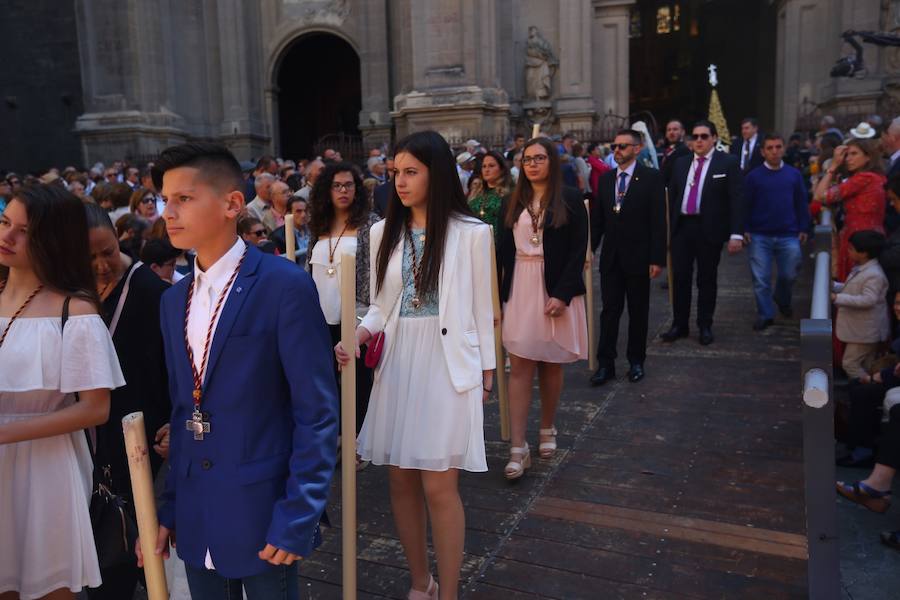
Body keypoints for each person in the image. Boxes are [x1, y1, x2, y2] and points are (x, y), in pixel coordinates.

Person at [138, 142, 338, 600]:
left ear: (231, 204)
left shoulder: (283, 285)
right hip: (195, 508)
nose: (169, 212)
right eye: (166, 200)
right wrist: (170, 508)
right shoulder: (173, 301)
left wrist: (299, 514)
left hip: (262, 506)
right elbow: (184, 408)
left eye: (183, 199)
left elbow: (317, 412)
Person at [335, 131, 495, 600]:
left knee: (441, 484)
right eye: (394, 173)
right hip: (400, 361)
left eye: (410, 172)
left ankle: (449, 591)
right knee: (400, 479)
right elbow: (383, 307)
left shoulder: (473, 234)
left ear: (436, 173)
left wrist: (487, 367)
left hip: (448, 364)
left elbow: (482, 308)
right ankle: (419, 580)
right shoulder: (384, 233)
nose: (399, 183)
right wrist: (358, 334)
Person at [0, 184, 124, 600]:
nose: (7, 237)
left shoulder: (76, 311)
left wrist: (5, 431)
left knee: (49, 590)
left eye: (24, 231)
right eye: (5, 223)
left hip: (46, 468)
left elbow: (95, 409)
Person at [84, 202, 172, 600]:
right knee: (103, 561)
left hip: (143, 439)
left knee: (145, 552)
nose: (102, 265)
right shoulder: (69, 290)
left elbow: (171, 370)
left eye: (108, 251)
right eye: (88, 257)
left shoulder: (151, 291)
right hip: (88, 441)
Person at [498, 137, 589, 479]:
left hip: (553, 285)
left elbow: (578, 249)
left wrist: (563, 293)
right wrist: (496, 294)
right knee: (519, 366)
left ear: (552, 161)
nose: (532, 164)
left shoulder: (569, 198)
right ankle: (518, 448)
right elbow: (501, 252)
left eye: (539, 158)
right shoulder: (512, 200)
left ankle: (547, 427)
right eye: (527, 159)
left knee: (551, 364)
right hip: (521, 284)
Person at [308, 162, 380, 469]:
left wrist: (365, 312)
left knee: (360, 378)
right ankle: (338, 434)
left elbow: (375, 271)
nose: (343, 191)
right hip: (321, 313)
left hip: (356, 312)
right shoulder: (319, 225)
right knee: (326, 379)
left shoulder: (370, 225)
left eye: (348, 185)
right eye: (336, 185)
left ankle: (360, 440)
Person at [589, 129, 665, 385]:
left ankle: (636, 361)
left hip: (639, 257)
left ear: (637, 148)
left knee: (638, 311)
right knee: (609, 312)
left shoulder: (651, 178)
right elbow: (598, 220)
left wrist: (657, 258)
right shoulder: (607, 179)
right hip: (611, 258)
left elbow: (657, 221)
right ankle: (605, 363)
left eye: (623, 146)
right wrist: (589, 249)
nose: (617, 150)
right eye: (614, 146)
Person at [662, 120, 745, 346]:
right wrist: (667, 230)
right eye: (695, 136)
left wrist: (736, 233)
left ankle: (704, 325)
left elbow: (736, 200)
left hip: (709, 229)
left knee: (706, 280)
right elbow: (672, 196)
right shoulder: (680, 164)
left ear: (714, 138)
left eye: (704, 136)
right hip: (682, 229)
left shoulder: (727, 163)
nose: (699, 140)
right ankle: (679, 324)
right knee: (680, 278)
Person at [743, 133, 811, 330]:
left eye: (778, 147)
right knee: (761, 279)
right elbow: (745, 205)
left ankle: (782, 298)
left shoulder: (794, 174)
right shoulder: (753, 176)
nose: (774, 151)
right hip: (759, 234)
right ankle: (765, 314)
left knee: (789, 273)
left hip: (788, 233)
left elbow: (801, 202)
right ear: (763, 152)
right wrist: (745, 228)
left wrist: (803, 227)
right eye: (770, 148)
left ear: (783, 149)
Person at [814, 138, 887, 281]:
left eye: (854, 154)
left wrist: (833, 166)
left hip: (860, 241)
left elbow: (819, 195)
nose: (848, 159)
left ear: (868, 157)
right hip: (866, 238)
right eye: (847, 155)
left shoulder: (864, 178)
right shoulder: (874, 177)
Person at [832, 230, 890, 380]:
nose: (848, 252)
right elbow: (853, 287)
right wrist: (836, 286)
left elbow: (868, 300)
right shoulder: (864, 268)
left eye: (851, 249)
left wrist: (836, 297)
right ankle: (864, 394)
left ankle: (870, 386)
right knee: (867, 364)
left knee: (850, 363)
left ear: (863, 253)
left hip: (865, 331)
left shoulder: (874, 274)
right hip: (862, 330)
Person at [468, 150, 512, 234]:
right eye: (484, 166)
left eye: (491, 166)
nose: (486, 170)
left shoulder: (509, 194)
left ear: (502, 169)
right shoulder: (476, 192)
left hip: (499, 241)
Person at [270, 195, 311, 268]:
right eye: (298, 211)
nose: (303, 215)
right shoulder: (278, 237)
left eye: (305, 211)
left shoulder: (313, 230)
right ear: (288, 213)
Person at [660, 119, 691, 184]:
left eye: (675, 129)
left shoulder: (684, 151)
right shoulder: (666, 150)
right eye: (669, 130)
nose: (671, 132)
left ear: (683, 132)